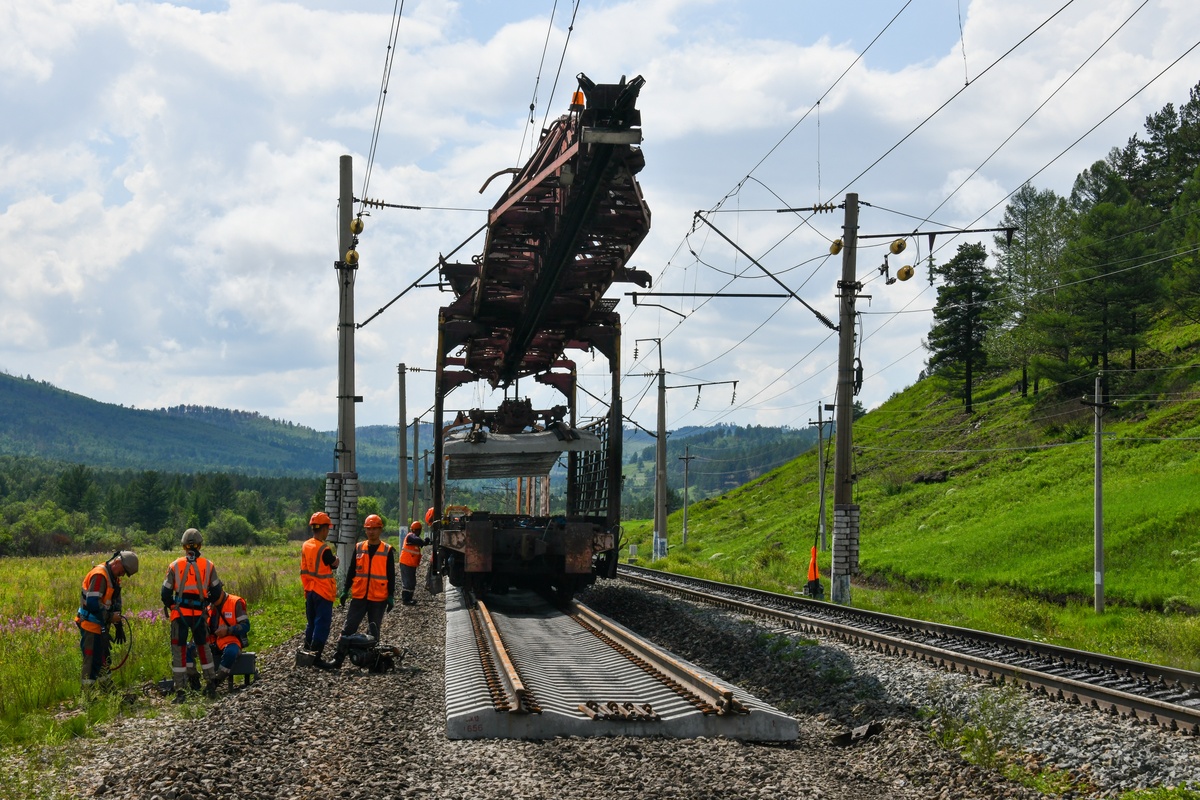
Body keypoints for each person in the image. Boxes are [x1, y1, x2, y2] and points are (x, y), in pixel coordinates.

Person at [162, 528, 223, 703]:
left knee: (179, 651)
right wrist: (205, 602)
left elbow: (165, 593)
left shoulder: (174, 565)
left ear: (183, 547)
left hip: (179, 615)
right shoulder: (208, 565)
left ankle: (181, 691)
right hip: (199, 614)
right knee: (204, 648)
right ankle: (210, 684)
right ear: (200, 545)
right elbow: (217, 591)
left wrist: (173, 605)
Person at [331, 514, 395, 668]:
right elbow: (352, 570)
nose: (371, 532)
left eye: (374, 528)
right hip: (359, 596)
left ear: (380, 529)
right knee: (348, 628)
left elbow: (391, 575)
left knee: (373, 630)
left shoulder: (387, 550)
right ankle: (337, 659)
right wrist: (345, 590)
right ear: (365, 530)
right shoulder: (359, 547)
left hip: (378, 598)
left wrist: (391, 596)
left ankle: (372, 662)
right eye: (368, 529)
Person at [75, 550, 139, 695]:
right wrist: (110, 618)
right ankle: (88, 697)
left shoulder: (114, 578)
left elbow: (115, 604)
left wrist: (118, 626)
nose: (122, 575)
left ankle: (108, 692)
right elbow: (92, 603)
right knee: (91, 662)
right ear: (117, 562)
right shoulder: (100, 576)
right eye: (123, 571)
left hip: (101, 626)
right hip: (91, 626)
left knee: (104, 659)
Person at [300, 511, 340, 668]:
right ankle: (316, 658)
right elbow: (333, 564)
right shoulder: (324, 549)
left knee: (311, 623)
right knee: (322, 624)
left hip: (309, 590)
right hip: (322, 592)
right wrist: (336, 559)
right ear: (324, 529)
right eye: (327, 529)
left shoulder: (306, 545)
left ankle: (306, 653)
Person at [205, 587, 250, 696]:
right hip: (212, 641)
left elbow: (246, 626)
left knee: (231, 652)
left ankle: (216, 681)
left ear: (221, 592)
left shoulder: (235, 603)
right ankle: (193, 683)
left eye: (215, 599)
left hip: (231, 639)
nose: (213, 602)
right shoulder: (209, 606)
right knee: (189, 648)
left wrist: (229, 630)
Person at [398, 520, 431, 606]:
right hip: (406, 563)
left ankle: (409, 598)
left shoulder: (414, 539)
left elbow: (419, 542)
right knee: (408, 582)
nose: (419, 532)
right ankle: (406, 600)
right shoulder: (410, 536)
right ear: (415, 530)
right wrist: (423, 542)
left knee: (412, 582)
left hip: (410, 564)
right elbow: (417, 540)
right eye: (419, 530)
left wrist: (425, 542)